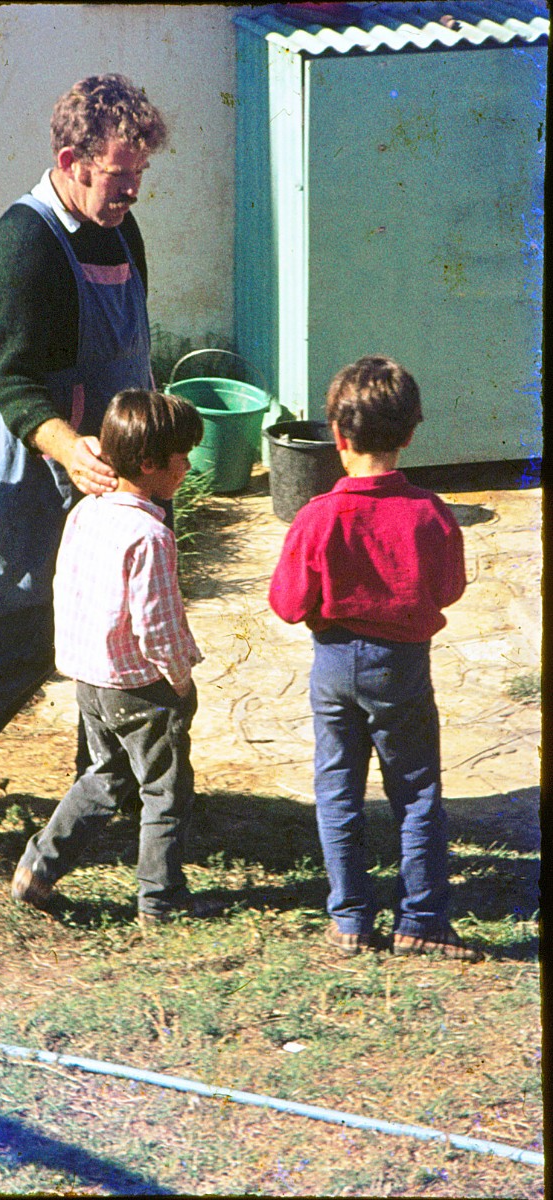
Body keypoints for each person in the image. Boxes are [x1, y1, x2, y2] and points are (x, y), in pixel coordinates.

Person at [0, 75, 169, 834]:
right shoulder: (19, 248)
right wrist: (68, 448)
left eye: (140, 177)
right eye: (119, 176)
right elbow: (11, 384)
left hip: (121, 470)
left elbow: (131, 345)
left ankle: (99, 791)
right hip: (41, 469)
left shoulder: (119, 227)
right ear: (71, 157)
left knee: (116, 638)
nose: (131, 193)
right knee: (23, 638)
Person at [268, 355, 481, 961]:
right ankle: (421, 921)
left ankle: (350, 920)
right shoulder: (431, 514)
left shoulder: (315, 518)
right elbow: (449, 589)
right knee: (416, 793)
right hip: (404, 667)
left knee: (338, 791)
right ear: (412, 433)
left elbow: (287, 603)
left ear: (336, 436)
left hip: (334, 667)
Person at [11, 388, 219, 923]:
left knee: (104, 777)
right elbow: (159, 626)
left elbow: (69, 588)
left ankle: (37, 868)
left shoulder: (86, 512)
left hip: (91, 679)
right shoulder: (151, 534)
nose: (188, 465)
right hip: (140, 687)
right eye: (182, 456)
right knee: (165, 792)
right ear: (149, 464)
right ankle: (161, 900)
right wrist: (179, 681)